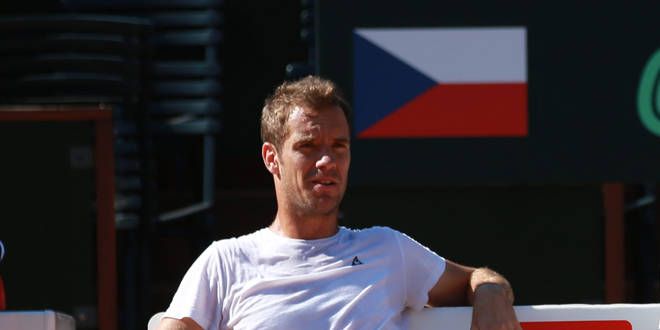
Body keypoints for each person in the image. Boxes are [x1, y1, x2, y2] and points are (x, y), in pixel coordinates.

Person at [157, 76, 521, 330]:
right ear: (272, 158)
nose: (326, 162)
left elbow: (477, 278)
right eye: (308, 147)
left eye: (338, 147)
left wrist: (490, 291)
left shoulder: (387, 248)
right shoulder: (225, 262)